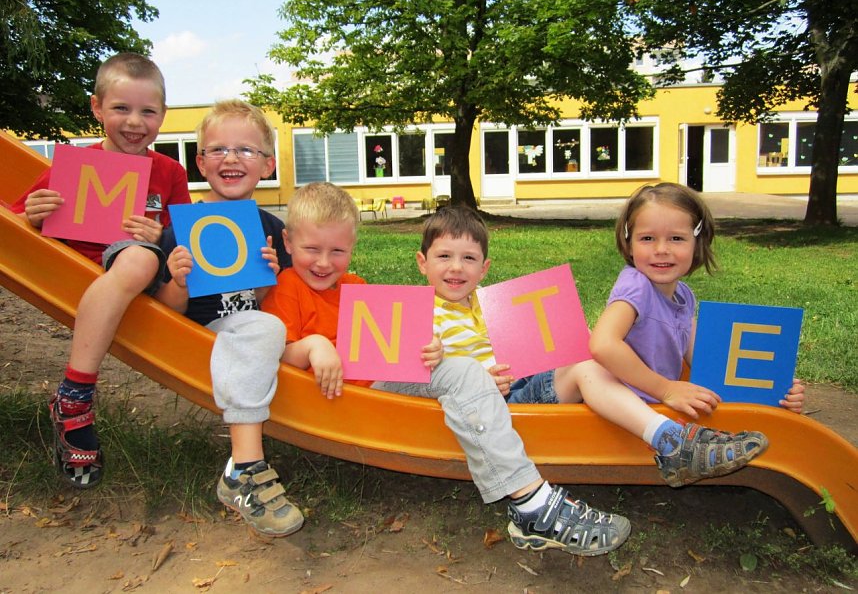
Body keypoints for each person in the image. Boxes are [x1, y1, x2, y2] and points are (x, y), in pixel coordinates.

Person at [262, 182, 631, 557]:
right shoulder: (285, 287)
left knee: (484, 365)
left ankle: (546, 487)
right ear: (288, 242)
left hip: (391, 381)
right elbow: (276, 354)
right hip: (361, 396)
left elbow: (388, 343)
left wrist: (427, 348)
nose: (324, 262)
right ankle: (532, 505)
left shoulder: (356, 286)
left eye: (337, 251)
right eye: (312, 249)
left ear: (352, 248)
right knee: (465, 371)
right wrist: (313, 345)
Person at [417, 204, 801, 490]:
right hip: (489, 405)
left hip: (525, 384)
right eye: (444, 257)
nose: (457, 268)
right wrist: (453, 368)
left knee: (585, 357)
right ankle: (671, 442)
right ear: (423, 263)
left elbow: (710, 364)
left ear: (484, 268)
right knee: (591, 364)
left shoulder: (496, 302)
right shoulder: (418, 317)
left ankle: (673, 440)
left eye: (468, 258)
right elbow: (412, 378)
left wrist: (771, 391)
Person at [12, 53, 191, 488]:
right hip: (81, 275)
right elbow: (14, 224)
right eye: (121, 108)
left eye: (148, 112)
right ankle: (75, 399)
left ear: (163, 115)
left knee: (146, 257)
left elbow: (183, 239)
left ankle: (71, 397)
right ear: (96, 108)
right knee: (139, 258)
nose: (134, 122)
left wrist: (162, 233)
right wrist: (32, 214)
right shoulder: (74, 167)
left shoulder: (170, 172)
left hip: (148, 277)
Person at [156, 100, 303, 537]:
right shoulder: (178, 230)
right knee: (264, 327)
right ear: (201, 163)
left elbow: (268, 303)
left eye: (245, 150)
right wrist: (178, 281)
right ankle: (245, 468)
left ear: (267, 164)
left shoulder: (273, 229)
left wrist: (267, 283)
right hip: (203, 338)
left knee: (271, 327)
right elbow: (165, 315)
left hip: (255, 335)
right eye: (218, 150)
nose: (231, 159)